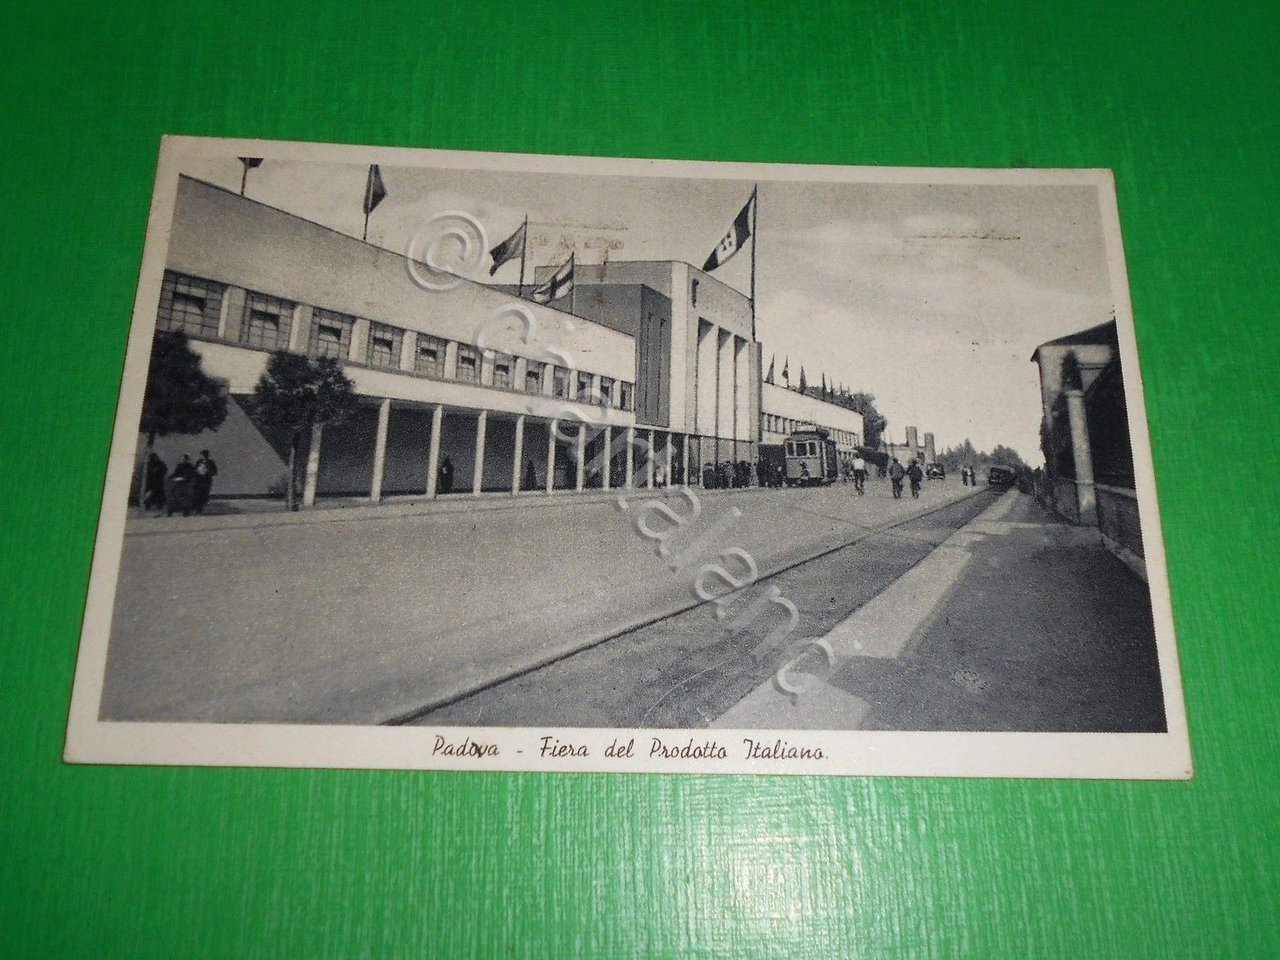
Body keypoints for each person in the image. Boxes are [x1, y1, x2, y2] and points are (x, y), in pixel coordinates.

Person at [193, 449, 218, 513]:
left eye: (204, 455)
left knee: (204, 493)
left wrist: (208, 472)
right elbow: (195, 469)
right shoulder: (199, 461)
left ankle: (201, 508)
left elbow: (215, 471)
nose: (203, 456)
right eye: (202, 455)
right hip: (199, 479)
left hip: (206, 480)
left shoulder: (210, 461)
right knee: (198, 493)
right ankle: (198, 508)